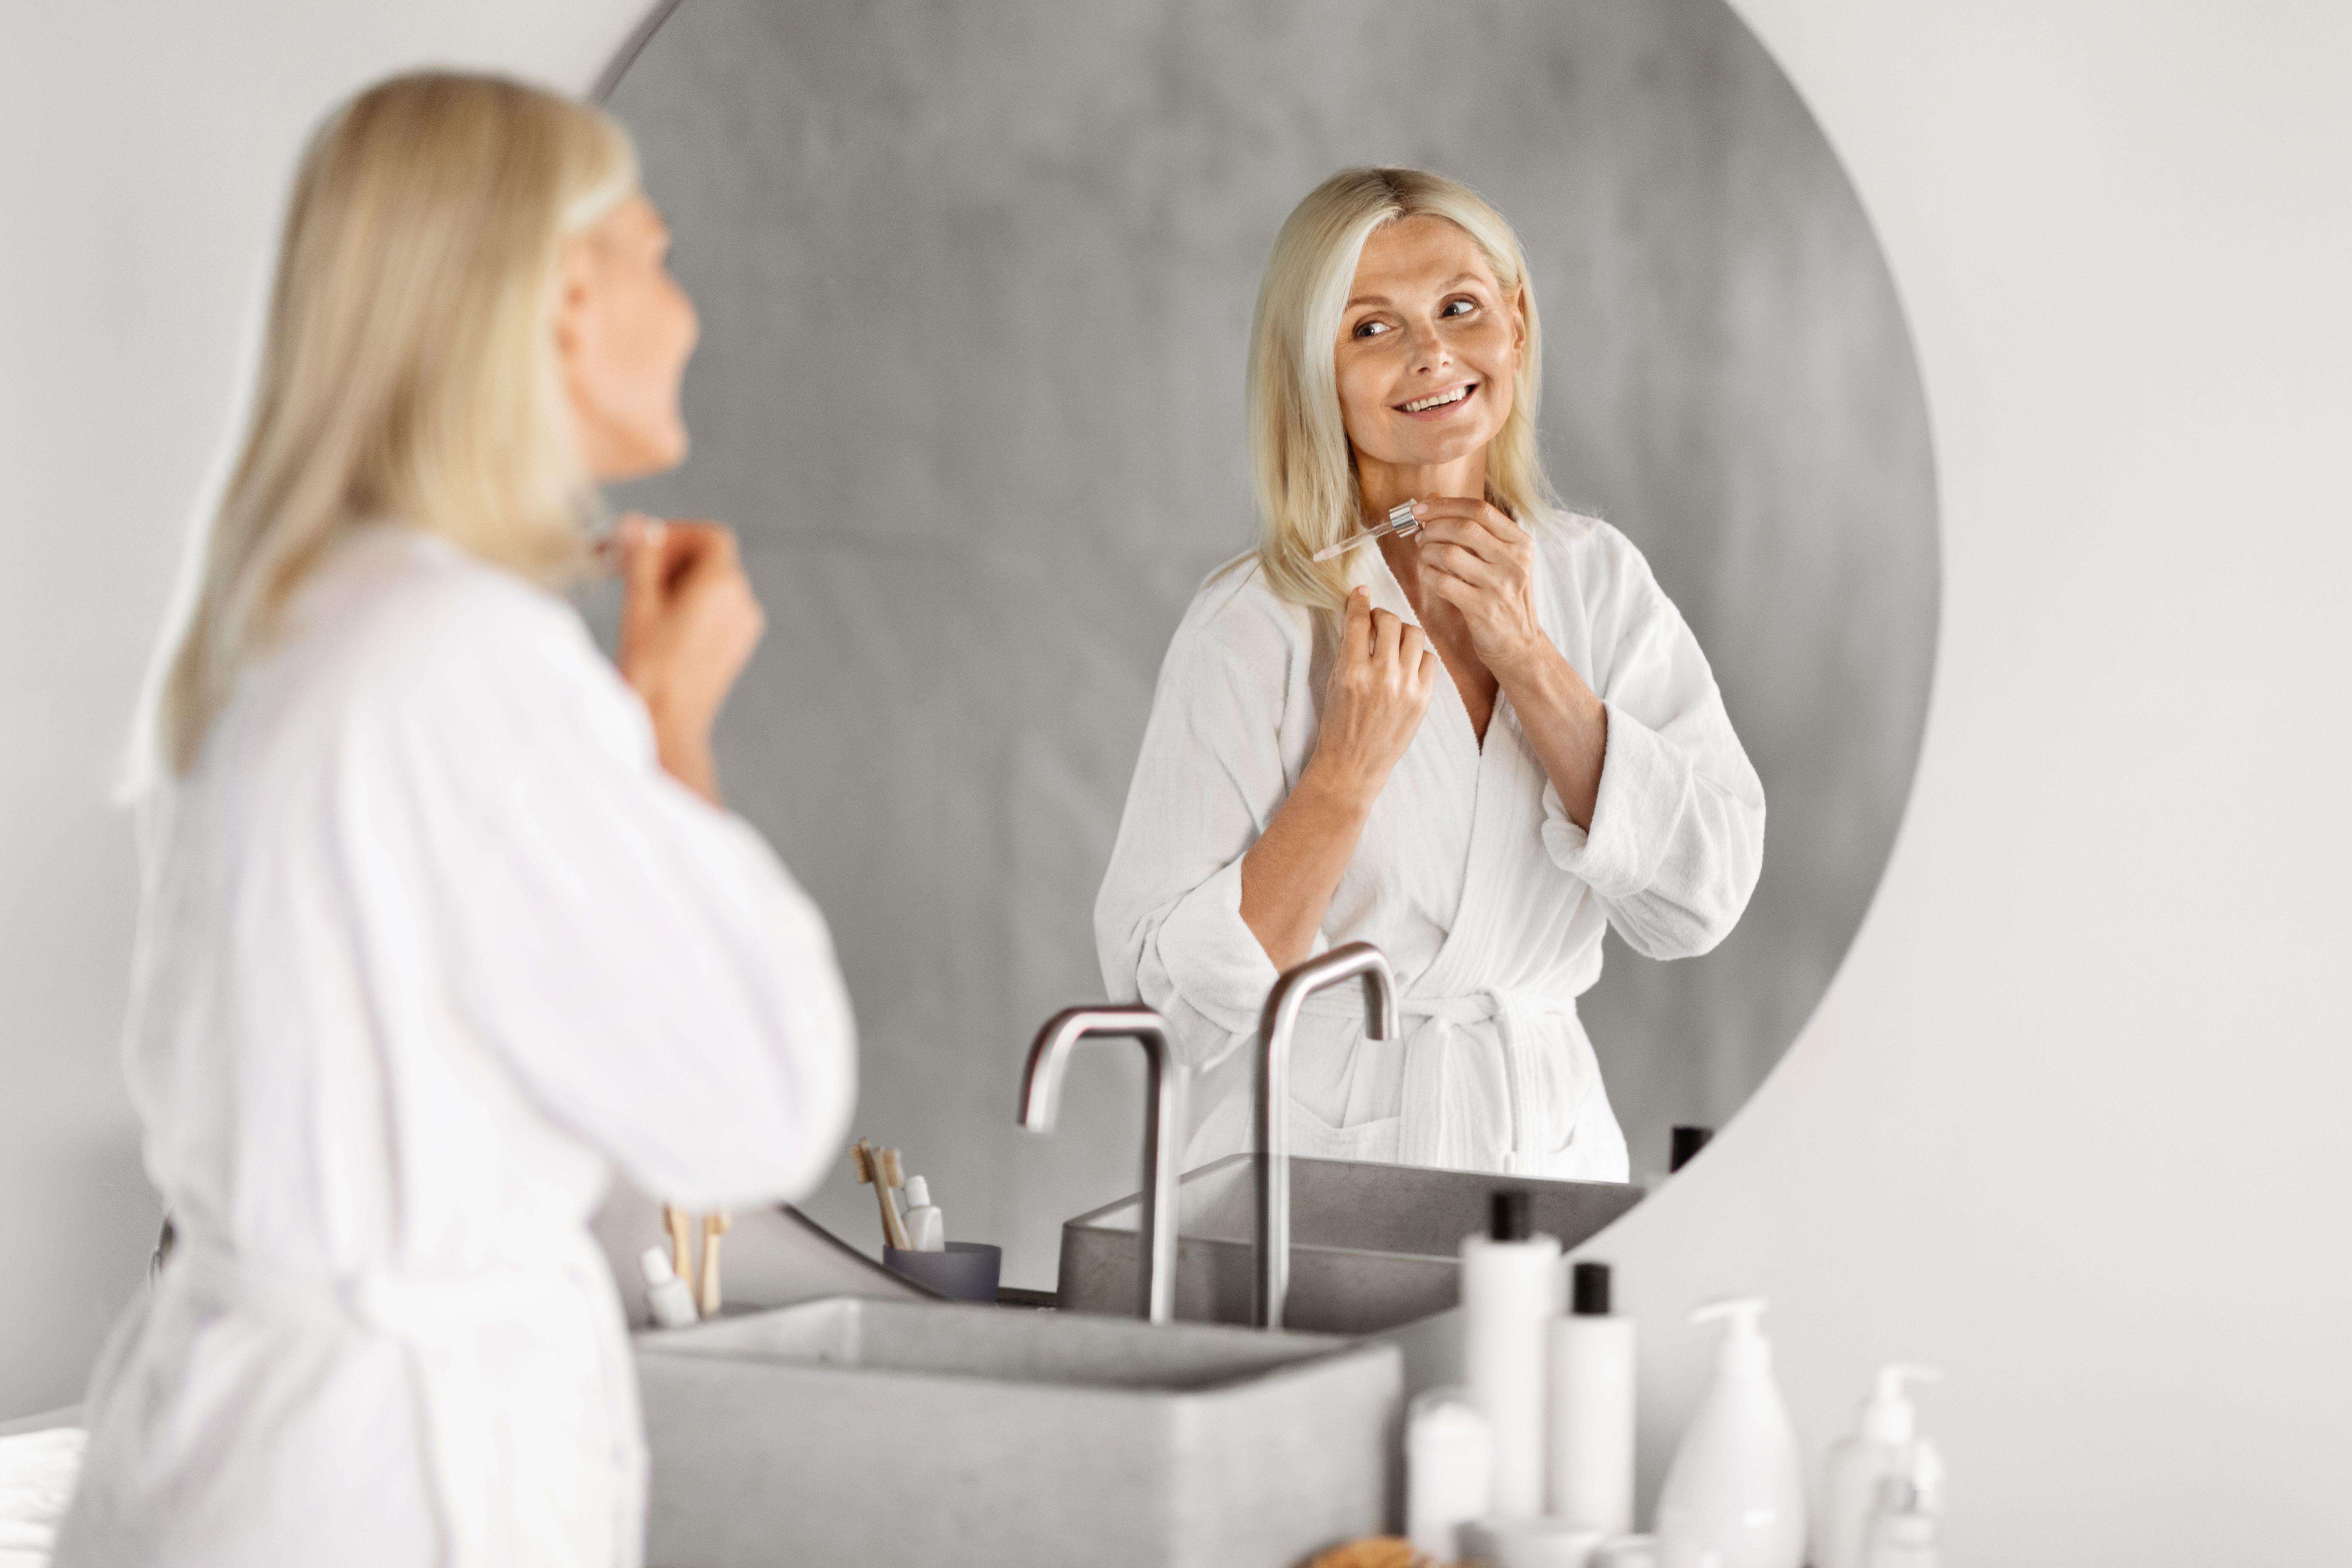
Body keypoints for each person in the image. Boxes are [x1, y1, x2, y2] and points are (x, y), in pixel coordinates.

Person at [55, 72, 854, 1567]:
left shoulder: (280, 619)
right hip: (376, 1484)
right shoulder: (459, 657)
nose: (682, 310)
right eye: (655, 254)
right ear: (560, 292)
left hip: (236, 1448)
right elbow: (752, 1104)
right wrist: (668, 726)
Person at [1095, 167, 1764, 1181]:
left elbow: (1700, 896)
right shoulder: (1256, 624)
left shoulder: (1597, 582)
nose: (1432, 354)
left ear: (1517, 325)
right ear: (1310, 370)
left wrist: (1529, 661)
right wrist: (1343, 774)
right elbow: (1170, 1010)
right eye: (1371, 329)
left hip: (1549, 1150)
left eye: (1460, 309)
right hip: (1308, 1173)